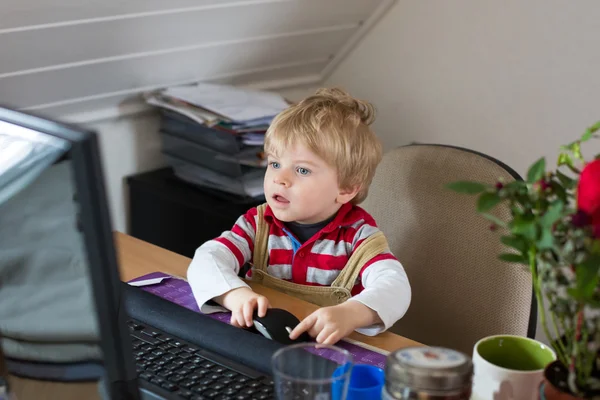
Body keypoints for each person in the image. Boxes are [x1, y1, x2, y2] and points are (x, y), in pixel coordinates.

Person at [187, 88, 411, 345]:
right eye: (274, 164)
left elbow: (396, 288)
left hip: (326, 353)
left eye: (302, 170)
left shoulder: (359, 238)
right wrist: (234, 295)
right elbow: (207, 258)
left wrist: (352, 313)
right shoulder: (257, 224)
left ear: (346, 189)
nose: (279, 178)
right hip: (259, 343)